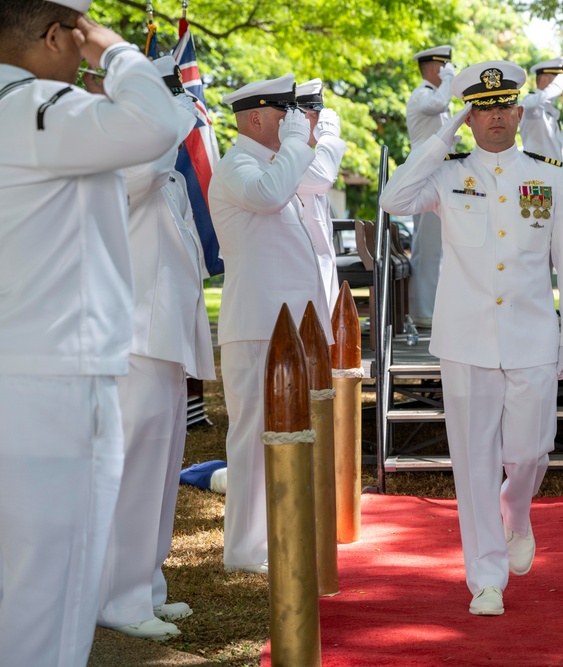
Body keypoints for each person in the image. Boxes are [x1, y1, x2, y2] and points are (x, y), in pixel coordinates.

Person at [0, 1, 183, 664]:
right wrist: (118, 53)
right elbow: (158, 121)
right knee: (52, 591)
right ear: (55, 36)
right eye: (77, 40)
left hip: (26, 367)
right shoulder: (39, 108)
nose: (83, 56)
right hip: (56, 384)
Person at [380, 60, 563, 616]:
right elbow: (392, 200)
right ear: (472, 117)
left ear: (520, 113)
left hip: (533, 336)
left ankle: (516, 511)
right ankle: (486, 577)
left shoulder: (547, 176)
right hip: (466, 339)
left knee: (530, 450)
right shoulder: (447, 172)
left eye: (504, 107)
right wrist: (441, 132)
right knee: (473, 461)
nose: (496, 117)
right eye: (484, 109)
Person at [95, 56, 217, 641]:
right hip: (134, 340)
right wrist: (169, 108)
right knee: (132, 475)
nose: (182, 106)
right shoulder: (124, 158)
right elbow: (148, 160)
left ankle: (146, 586)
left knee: (161, 474)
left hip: (165, 341)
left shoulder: (160, 167)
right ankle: (118, 599)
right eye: (166, 95)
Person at [209, 74, 333, 574]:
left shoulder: (268, 164)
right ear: (256, 118)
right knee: (251, 440)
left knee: (283, 436)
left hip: (281, 330)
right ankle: (243, 549)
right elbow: (270, 195)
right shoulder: (240, 165)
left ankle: (274, 534)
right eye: (285, 114)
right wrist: (300, 142)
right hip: (257, 327)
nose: (293, 123)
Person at [405, 45, 456, 327]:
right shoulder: (423, 94)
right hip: (424, 172)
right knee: (427, 245)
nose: (450, 71)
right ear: (435, 68)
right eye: (445, 67)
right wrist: (449, 79)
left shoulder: (434, 94)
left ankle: (433, 308)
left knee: (439, 245)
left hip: (437, 171)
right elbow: (439, 105)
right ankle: (424, 312)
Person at [296, 77, 347, 314]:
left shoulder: (307, 155)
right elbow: (324, 178)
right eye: (315, 114)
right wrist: (329, 137)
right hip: (300, 279)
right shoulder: (289, 156)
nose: (320, 122)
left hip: (318, 272)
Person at [519, 56, 563, 163]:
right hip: (536, 173)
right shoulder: (529, 103)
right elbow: (537, 103)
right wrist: (557, 86)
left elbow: (553, 156)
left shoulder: (549, 109)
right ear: (544, 79)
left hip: (552, 173)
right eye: (558, 80)